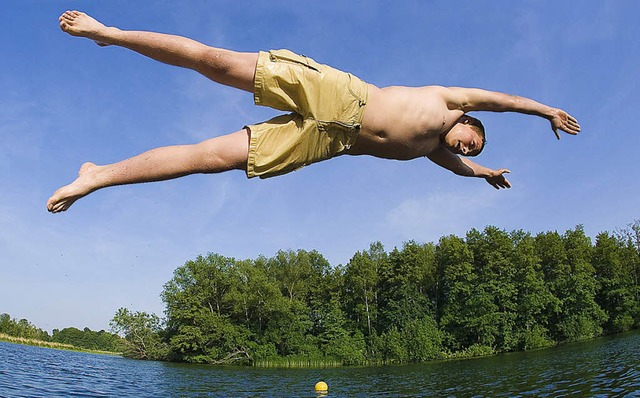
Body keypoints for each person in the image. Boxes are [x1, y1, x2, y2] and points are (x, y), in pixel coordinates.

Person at [47, 10, 581, 213]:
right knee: (216, 63)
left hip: (329, 143)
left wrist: (483, 172)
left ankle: (98, 176)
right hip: (340, 95)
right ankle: (110, 34)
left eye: (470, 150)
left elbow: (454, 165)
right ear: (467, 120)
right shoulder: (449, 101)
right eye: (472, 139)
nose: (466, 145)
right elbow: (505, 101)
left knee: (209, 158)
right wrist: (546, 110)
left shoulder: (429, 151)